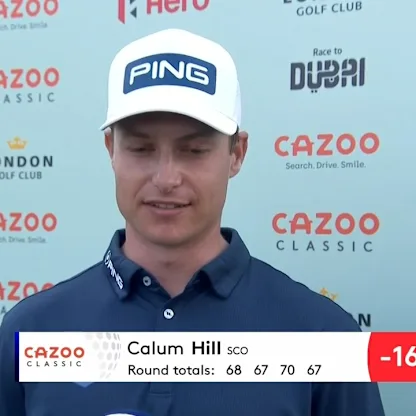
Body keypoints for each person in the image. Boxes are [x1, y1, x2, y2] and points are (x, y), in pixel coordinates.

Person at [0, 28, 385, 416]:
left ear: (237, 154)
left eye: (194, 150)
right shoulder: (29, 332)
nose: (166, 178)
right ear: (111, 150)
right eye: (141, 148)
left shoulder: (326, 338)